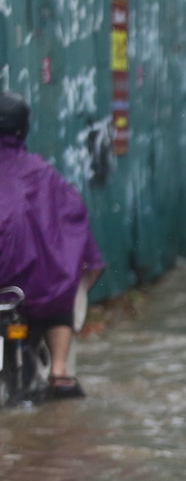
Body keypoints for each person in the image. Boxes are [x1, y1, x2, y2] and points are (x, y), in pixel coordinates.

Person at [0, 92, 106, 398]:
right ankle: (59, 370)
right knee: (66, 286)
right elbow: (74, 223)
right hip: (33, 286)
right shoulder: (42, 173)